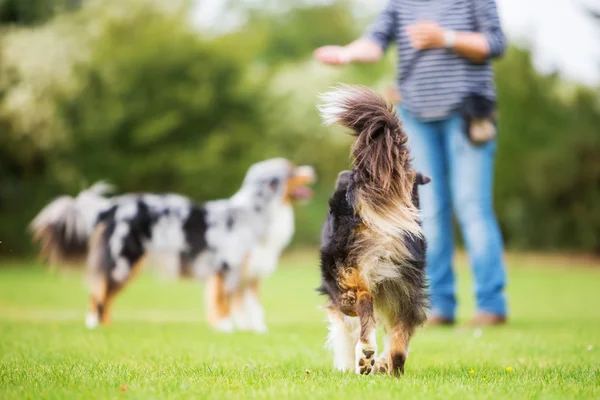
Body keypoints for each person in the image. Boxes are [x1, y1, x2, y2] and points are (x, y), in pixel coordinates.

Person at [315, 0, 508, 326]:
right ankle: (439, 306)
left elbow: (495, 43)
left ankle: (491, 305)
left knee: (472, 207)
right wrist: (347, 53)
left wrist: (445, 38)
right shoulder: (401, 3)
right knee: (428, 211)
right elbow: (374, 45)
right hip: (416, 117)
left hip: (468, 114)